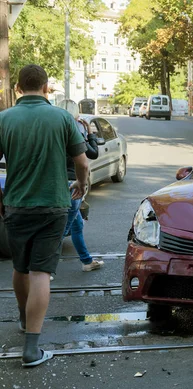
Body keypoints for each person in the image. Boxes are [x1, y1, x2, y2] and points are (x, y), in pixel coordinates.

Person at [0, 65, 89, 368]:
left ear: (18, 88)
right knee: (41, 273)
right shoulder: (62, 118)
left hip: (16, 205)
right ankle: (31, 348)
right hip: (52, 206)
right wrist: (81, 184)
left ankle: (25, 320)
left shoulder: (4, 119)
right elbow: (83, 163)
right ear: (47, 87)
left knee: (21, 268)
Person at [62, 101, 104, 273]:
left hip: (59, 182)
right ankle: (44, 269)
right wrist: (90, 134)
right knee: (62, 230)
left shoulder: (54, 132)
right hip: (73, 184)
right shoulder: (74, 133)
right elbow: (92, 154)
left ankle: (87, 261)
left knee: (76, 224)